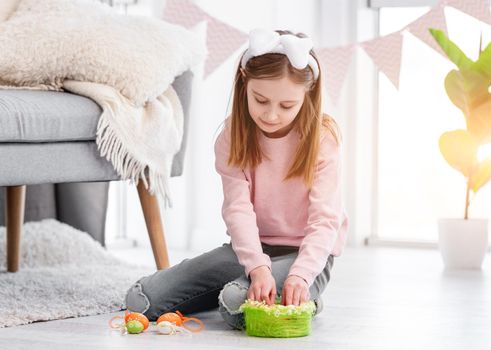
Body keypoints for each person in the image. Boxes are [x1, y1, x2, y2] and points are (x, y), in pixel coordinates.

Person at [125, 28, 348, 331]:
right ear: (244, 83)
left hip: (305, 254)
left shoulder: (322, 138)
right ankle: (273, 290)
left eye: (286, 106)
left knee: (235, 305)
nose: (270, 115)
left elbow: (325, 221)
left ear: (307, 96)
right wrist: (256, 266)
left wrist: (301, 275)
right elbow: (237, 210)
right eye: (260, 100)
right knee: (143, 299)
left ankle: (303, 295)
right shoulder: (232, 137)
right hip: (251, 247)